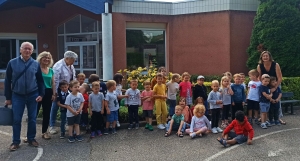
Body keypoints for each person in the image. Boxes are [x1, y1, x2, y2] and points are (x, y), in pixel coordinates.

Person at [4, 42, 45, 151]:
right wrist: (8, 98)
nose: (27, 51)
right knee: (16, 119)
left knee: (32, 119)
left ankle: (31, 138)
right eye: (25, 48)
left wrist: (41, 94)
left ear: (32, 51)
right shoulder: (12, 63)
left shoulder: (35, 64)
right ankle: (15, 141)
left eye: (29, 49)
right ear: (20, 50)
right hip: (17, 95)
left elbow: (40, 81)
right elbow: (7, 81)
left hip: (33, 95)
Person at [49, 51, 77, 135]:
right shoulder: (58, 66)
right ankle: (52, 126)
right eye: (73, 60)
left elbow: (73, 77)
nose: (74, 62)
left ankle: (66, 123)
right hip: (58, 89)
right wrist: (55, 92)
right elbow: (55, 80)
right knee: (55, 107)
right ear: (67, 58)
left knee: (68, 106)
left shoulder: (70, 65)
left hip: (67, 89)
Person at [257, 50, 285, 125]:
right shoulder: (259, 66)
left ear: (269, 57)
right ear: (261, 57)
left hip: (275, 84)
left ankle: (278, 117)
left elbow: (279, 78)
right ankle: (265, 117)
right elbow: (259, 78)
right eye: (264, 56)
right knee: (265, 101)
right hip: (265, 86)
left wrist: (275, 87)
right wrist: (264, 87)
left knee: (277, 101)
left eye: (267, 56)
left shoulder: (276, 65)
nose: (265, 57)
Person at [36, 51, 55, 140]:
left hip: (48, 92)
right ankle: (29, 135)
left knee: (46, 113)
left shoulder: (51, 70)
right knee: (34, 114)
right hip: (38, 92)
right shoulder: (36, 68)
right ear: (40, 58)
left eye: (49, 58)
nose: (47, 59)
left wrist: (54, 94)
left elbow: (53, 83)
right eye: (45, 57)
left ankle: (44, 132)